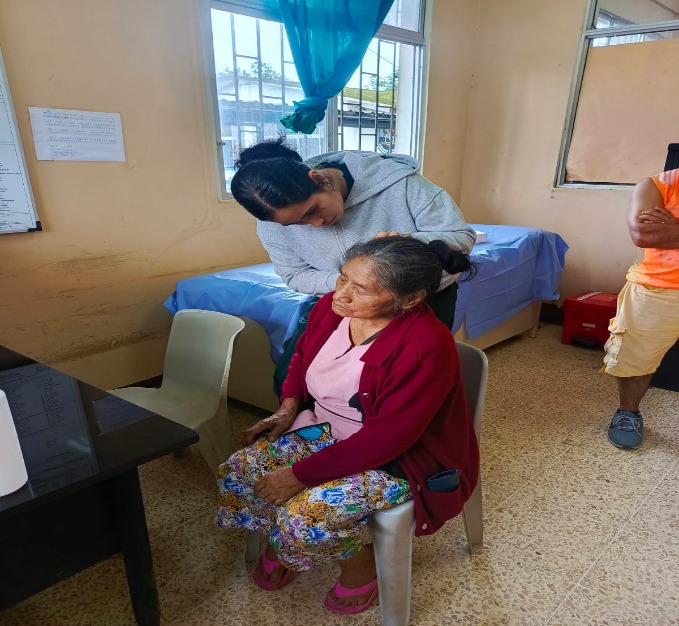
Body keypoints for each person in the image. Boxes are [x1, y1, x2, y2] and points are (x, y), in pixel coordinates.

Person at [215, 236, 480, 615]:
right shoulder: (331, 307)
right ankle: (279, 540)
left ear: (410, 299)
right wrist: (289, 406)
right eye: (342, 278)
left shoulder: (425, 345)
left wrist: (298, 475)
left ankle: (359, 565)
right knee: (240, 470)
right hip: (324, 427)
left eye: (362, 288)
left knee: (306, 516)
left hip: (399, 457)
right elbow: (302, 355)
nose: (341, 294)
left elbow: (389, 439)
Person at [229, 137, 476, 329]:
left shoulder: (401, 184)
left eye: (312, 210)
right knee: (304, 368)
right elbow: (295, 274)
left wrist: (406, 246)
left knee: (414, 373)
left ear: (319, 179)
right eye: (296, 224)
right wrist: (348, 285)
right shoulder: (273, 222)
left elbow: (461, 237)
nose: (316, 224)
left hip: (420, 301)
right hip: (342, 303)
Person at [603, 167, 679, 449]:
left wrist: (672, 227)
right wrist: (660, 230)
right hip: (657, 289)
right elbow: (643, 233)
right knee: (635, 358)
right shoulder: (657, 186)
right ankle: (628, 412)